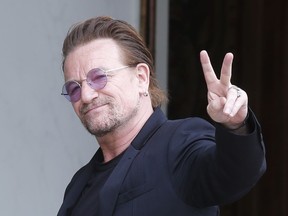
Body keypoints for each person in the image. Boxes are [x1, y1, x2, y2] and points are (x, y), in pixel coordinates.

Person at [57, 16, 266, 216]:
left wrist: (235, 124)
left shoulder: (180, 143)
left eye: (99, 77)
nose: (85, 95)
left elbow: (235, 175)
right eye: (74, 88)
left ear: (141, 78)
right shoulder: (79, 186)